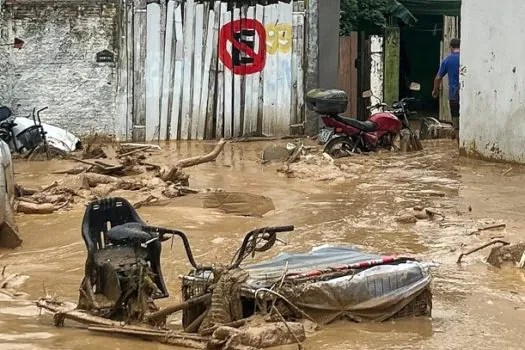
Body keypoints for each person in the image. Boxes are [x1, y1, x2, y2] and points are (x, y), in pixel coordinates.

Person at [433, 38, 460, 138]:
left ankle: (459, 144)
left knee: (456, 120)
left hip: (454, 94)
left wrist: (435, 90)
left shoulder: (448, 60)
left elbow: (438, 78)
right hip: (466, 94)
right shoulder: (466, 58)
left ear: (451, 48)